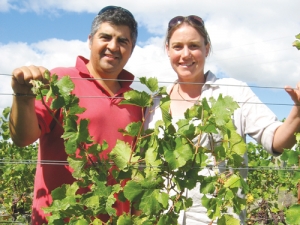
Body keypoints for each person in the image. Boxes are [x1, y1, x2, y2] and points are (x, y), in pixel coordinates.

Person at [145, 15, 300, 224]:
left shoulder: (234, 92)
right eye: (177, 46)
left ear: (207, 49)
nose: (185, 54)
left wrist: (297, 112)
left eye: (194, 46)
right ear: (168, 50)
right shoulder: (155, 103)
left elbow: (275, 140)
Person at [9, 6, 142, 225]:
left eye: (122, 41)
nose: (113, 46)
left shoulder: (136, 100)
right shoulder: (60, 80)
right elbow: (22, 138)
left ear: (132, 48)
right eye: (105, 37)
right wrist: (23, 96)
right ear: (90, 40)